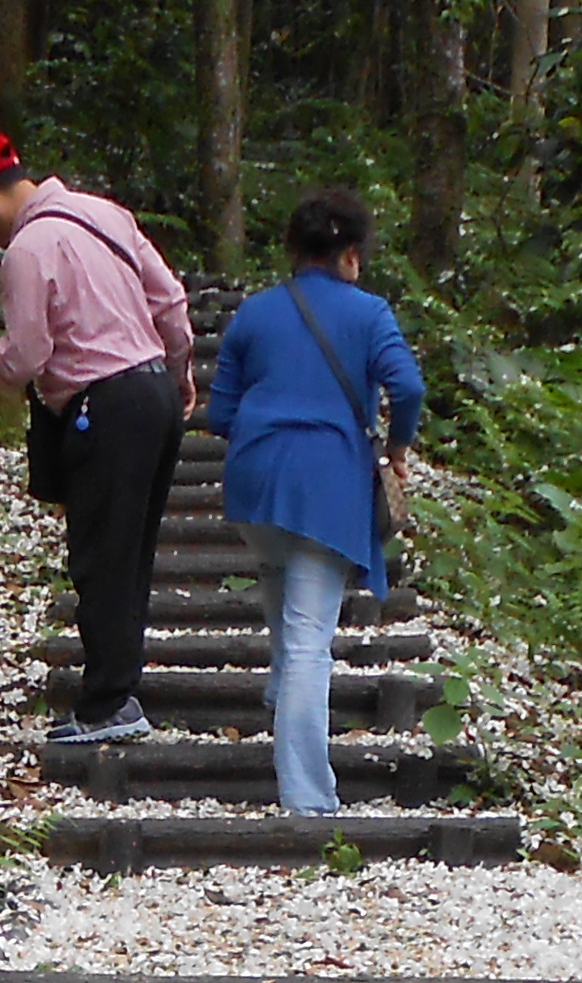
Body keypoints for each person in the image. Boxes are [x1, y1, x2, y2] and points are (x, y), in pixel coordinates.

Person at [0, 132, 194, 748]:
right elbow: (168, 298)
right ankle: (118, 688)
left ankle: (109, 702)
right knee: (131, 551)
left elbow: (30, 351)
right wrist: (180, 372)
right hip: (153, 393)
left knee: (101, 555)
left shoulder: (27, 250)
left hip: (104, 403)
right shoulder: (105, 213)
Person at [204, 189, 424, 819]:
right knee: (309, 641)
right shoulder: (370, 313)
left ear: (294, 253)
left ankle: (279, 694)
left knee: (277, 569)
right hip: (325, 487)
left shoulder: (254, 313)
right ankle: (307, 798)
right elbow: (406, 386)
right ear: (351, 256)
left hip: (253, 486)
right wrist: (398, 446)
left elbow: (221, 413)